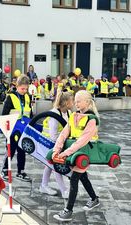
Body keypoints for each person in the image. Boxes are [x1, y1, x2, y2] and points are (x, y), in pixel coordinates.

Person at [52, 90, 100, 222]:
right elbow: (63, 134)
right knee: (82, 176)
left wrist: (65, 153)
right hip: (75, 152)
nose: (76, 103)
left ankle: (68, 211)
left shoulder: (91, 120)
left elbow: (82, 141)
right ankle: (94, 199)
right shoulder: (74, 116)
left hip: (84, 153)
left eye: (79, 101)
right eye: (76, 100)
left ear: (87, 102)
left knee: (74, 179)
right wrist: (57, 149)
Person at [40, 91, 74, 198]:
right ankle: (64, 191)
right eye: (72, 101)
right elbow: (53, 135)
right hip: (48, 142)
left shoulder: (67, 113)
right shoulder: (54, 114)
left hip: (57, 143)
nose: (74, 103)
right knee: (56, 165)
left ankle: (43, 186)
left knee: (49, 165)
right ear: (67, 103)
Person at [0, 75, 32, 182]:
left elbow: (29, 113)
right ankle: (5, 169)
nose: (24, 91)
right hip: (12, 129)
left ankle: (21, 171)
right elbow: (4, 114)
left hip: (23, 129)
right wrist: (6, 130)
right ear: (17, 86)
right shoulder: (11, 97)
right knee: (11, 150)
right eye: (22, 88)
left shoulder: (28, 97)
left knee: (22, 150)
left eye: (26, 89)